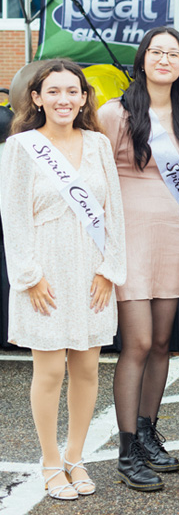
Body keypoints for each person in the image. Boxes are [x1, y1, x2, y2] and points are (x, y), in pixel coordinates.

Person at [0, 59, 125, 500]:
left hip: (91, 271)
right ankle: (50, 461)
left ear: (84, 97)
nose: (64, 100)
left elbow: (114, 214)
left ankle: (76, 457)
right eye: (53, 91)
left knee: (87, 366)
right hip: (45, 272)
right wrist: (29, 276)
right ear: (36, 98)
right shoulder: (20, 148)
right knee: (50, 369)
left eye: (73, 91)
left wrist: (111, 269)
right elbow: (12, 218)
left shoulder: (97, 145)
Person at [99, 26, 179, 491]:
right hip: (129, 238)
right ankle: (127, 451)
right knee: (138, 344)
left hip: (170, 238)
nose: (164, 59)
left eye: (174, 53)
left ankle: (147, 432)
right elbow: (97, 176)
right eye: (156, 51)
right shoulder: (113, 113)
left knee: (163, 343)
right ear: (142, 59)